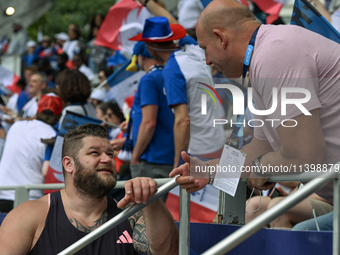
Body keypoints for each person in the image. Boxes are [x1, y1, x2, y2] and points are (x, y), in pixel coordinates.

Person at [170, 0, 340, 228]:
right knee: (301, 231)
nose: (207, 61)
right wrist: (206, 170)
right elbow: (260, 146)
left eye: (204, 48)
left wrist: (262, 166)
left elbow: (304, 154)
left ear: (221, 38)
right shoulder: (267, 53)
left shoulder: (274, 53)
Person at [0, 124, 179, 254]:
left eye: (110, 154)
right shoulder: (29, 216)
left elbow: (169, 252)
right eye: (95, 153)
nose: (107, 159)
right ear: (69, 164)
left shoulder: (130, 216)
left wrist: (151, 201)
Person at [129, 17, 226, 167]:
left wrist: (177, 164)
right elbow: (181, 33)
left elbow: (183, 121)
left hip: (199, 150)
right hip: (218, 141)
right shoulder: (194, 49)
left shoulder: (172, 71)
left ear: (149, 45)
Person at [0, 93, 62, 213]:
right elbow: (46, 172)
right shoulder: (54, 136)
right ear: (59, 116)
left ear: (38, 111)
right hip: (31, 199)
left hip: (3, 194)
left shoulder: (16, 126)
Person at [124, 42, 175, 181]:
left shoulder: (149, 79)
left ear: (141, 56)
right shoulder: (170, 74)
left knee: (146, 203)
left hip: (151, 159)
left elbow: (149, 123)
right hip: (169, 155)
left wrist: (135, 156)